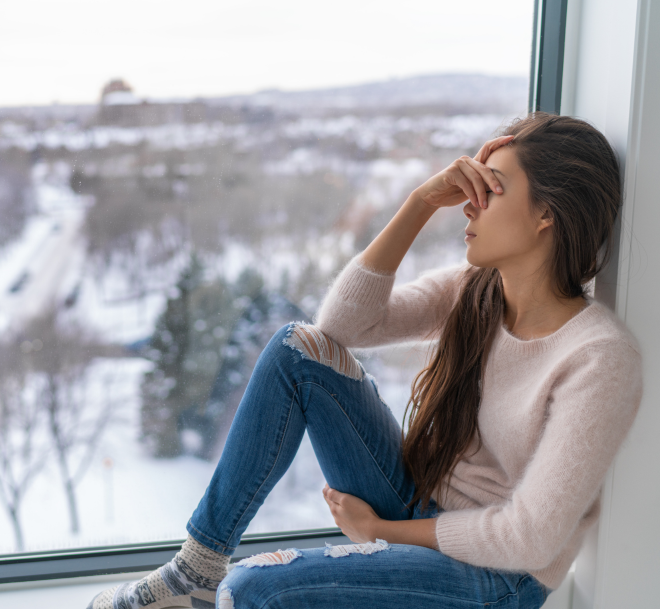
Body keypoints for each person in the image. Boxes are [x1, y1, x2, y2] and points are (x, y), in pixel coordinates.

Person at [86, 112, 643, 609]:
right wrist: (419, 202)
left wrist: (383, 532)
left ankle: (215, 587)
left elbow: (531, 538)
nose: (470, 204)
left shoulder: (597, 357)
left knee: (255, 590)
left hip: (497, 575)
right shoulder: (472, 292)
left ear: (546, 212)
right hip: (422, 504)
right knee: (294, 349)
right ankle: (193, 571)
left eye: (491, 190)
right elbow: (339, 330)